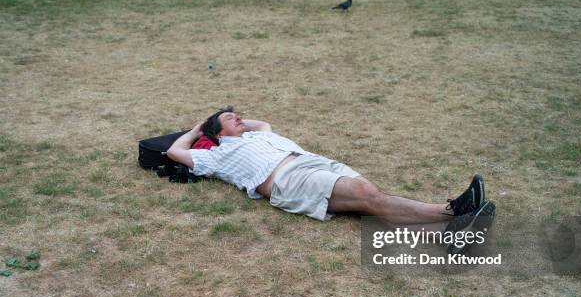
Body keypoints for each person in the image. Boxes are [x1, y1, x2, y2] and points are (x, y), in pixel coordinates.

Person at [167, 107, 495, 251]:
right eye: (230, 118)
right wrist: (200, 128)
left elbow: (261, 122)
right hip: (286, 179)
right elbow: (173, 151)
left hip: (313, 163)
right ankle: (451, 211)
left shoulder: (260, 134)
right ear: (217, 132)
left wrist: (229, 119)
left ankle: (449, 239)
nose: (239, 118)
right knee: (366, 195)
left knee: (368, 201)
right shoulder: (217, 154)